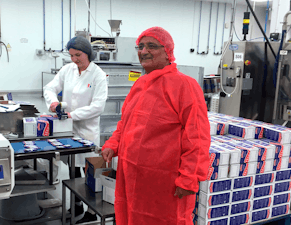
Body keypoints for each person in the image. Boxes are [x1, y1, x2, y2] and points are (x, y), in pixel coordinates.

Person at [101, 27, 211, 224]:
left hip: (164, 183)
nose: (144, 51)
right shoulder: (140, 84)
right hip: (132, 178)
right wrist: (113, 144)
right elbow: (125, 123)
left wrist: (189, 178)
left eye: (152, 46)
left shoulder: (185, 85)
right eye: (140, 46)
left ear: (167, 51)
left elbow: (198, 137)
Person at [44, 36, 108, 223]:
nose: (74, 59)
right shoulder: (67, 69)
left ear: (88, 53)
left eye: (77, 55)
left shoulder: (98, 75)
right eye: (71, 55)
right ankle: (77, 203)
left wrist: (73, 115)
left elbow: (98, 107)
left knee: (91, 172)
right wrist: (53, 102)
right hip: (67, 129)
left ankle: (91, 212)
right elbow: (50, 87)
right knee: (73, 168)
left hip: (87, 130)